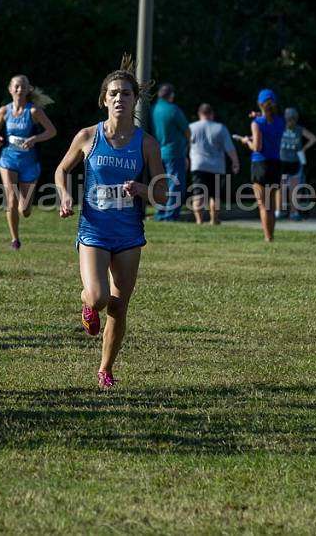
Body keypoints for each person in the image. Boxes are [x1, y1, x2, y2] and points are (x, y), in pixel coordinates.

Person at [54, 57, 165, 389]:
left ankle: (105, 369)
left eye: (126, 94)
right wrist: (64, 196)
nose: (120, 99)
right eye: (114, 93)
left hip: (130, 234)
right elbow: (61, 170)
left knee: (118, 307)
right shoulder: (88, 136)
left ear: (135, 100)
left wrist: (143, 189)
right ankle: (88, 304)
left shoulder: (146, 143)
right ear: (104, 99)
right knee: (100, 297)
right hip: (94, 230)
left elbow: (163, 192)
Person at [0, 75, 57, 250]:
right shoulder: (4, 111)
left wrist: (35, 138)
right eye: (17, 87)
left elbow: (51, 131)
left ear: (28, 90)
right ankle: (15, 240)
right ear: (10, 89)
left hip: (29, 162)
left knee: (24, 210)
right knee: (10, 199)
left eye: (23, 87)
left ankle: (23, 206)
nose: (20, 90)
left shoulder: (33, 111)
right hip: (8, 158)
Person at [235, 89, 284, 242]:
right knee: (271, 204)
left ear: (259, 104)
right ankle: (272, 235)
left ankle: (267, 237)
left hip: (260, 164)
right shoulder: (281, 121)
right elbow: (270, 129)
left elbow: (257, 147)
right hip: (275, 163)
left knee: (263, 205)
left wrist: (246, 141)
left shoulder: (257, 123)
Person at [188, 104, 239, 225]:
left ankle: (199, 221)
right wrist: (235, 162)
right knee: (215, 195)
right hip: (217, 166)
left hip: (198, 165)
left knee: (198, 194)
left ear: (199, 114)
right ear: (212, 114)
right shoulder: (220, 128)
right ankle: (214, 220)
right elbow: (229, 148)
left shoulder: (191, 127)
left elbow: (185, 145)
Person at [151, 84, 190, 222]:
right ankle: (170, 215)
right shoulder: (173, 110)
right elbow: (187, 131)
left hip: (159, 152)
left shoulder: (154, 109)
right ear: (171, 95)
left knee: (162, 184)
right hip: (174, 152)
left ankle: (160, 212)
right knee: (175, 184)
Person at [277, 108, 316, 221]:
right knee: (289, 188)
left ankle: (280, 211)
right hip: (291, 161)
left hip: (285, 160)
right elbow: (313, 138)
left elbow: (313, 138)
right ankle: (291, 213)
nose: (291, 122)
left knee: (283, 187)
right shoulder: (298, 129)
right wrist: (303, 148)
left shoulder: (282, 128)